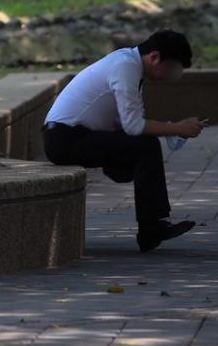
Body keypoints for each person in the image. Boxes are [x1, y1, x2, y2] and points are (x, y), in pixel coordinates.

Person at [42, 30, 206, 253]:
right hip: (64, 139)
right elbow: (134, 126)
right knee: (146, 145)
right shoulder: (126, 67)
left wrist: (176, 129)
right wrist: (178, 127)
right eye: (171, 67)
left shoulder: (129, 64)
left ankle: (153, 227)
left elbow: (129, 122)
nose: (170, 75)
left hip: (73, 136)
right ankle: (152, 228)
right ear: (155, 57)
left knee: (144, 146)